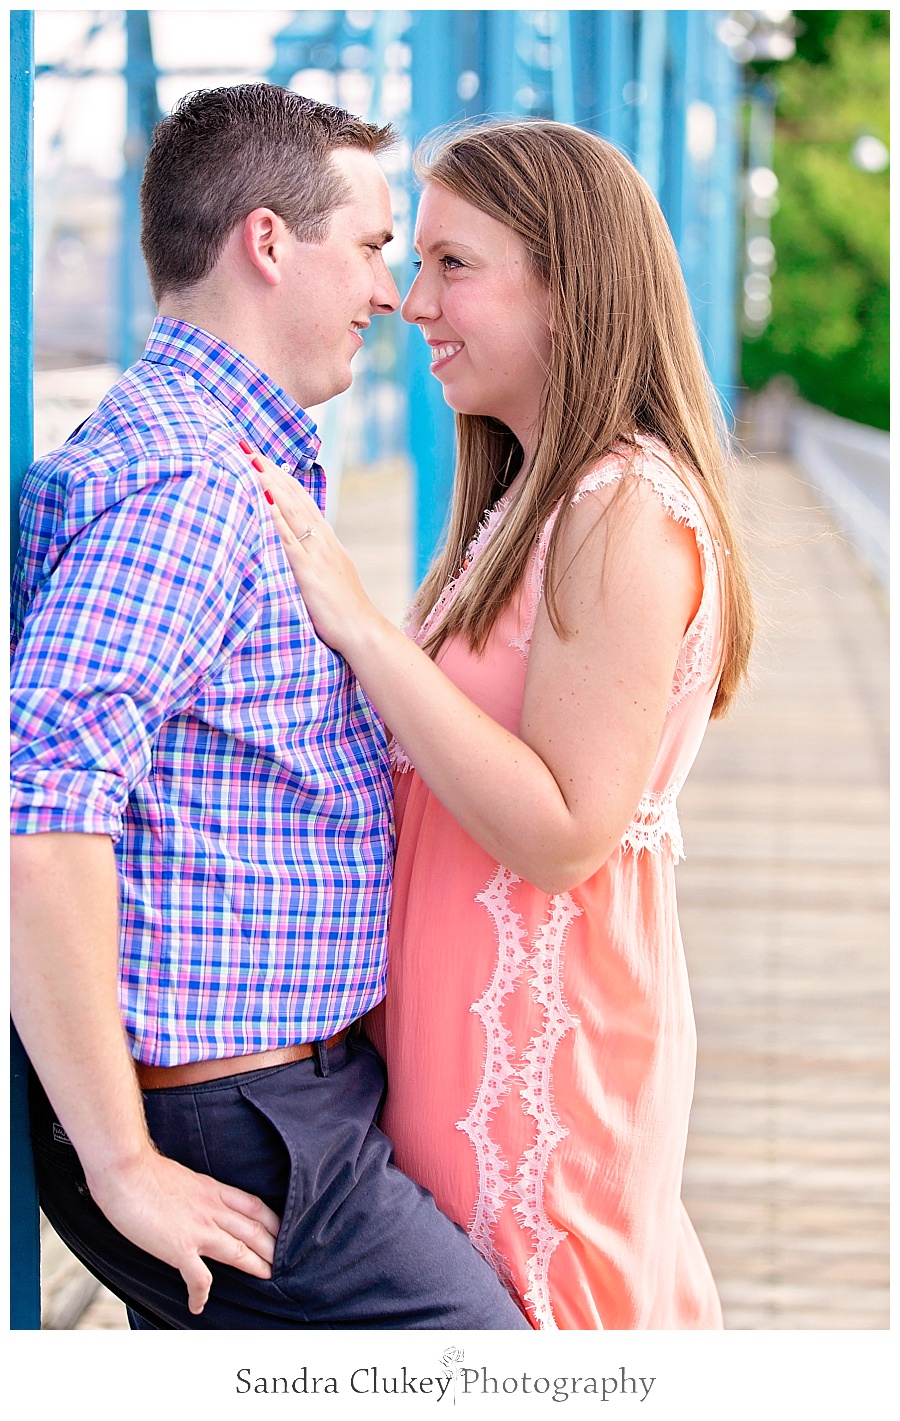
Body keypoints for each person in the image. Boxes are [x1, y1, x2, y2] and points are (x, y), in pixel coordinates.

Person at [10, 85, 530, 1331]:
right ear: (266, 242)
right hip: (237, 1122)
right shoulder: (194, 488)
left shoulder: (184, 453)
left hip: (263, 1103)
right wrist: (125, 1160)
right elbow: (35, 802)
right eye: (371, 246)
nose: (391, 292)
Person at [249, 119, 755, 1330]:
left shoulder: (622, 505)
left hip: (544, 1053)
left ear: (568, 281)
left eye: (451, 264)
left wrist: (365, 631)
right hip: (460, 1038)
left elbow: (570, 829)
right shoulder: (535, 500)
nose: (412, 302)